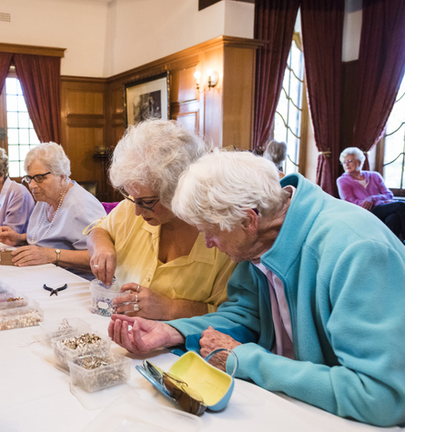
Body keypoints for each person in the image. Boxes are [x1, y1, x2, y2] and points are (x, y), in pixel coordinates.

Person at [108, 150, 405, 427]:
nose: (209, 244)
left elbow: (381, 396)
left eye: (211, 233)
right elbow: (245, 315)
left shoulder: (357, 251)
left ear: (248, 220)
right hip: (287, 405)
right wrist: (174, 332)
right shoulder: (263, 238)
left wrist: (245, 359)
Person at [88, 120, 236, 320]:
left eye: (147, 202)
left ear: (179, 190)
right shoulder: (131, 208)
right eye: (133, 198)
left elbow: (233, 318)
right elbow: (99, 230)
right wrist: (102, 247)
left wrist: (170, 309)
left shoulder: (223, 237)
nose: (137, 211)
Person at [0, 142, 105, 275]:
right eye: (29, 178)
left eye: (40, 178)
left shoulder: (81, 206)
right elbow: (51, 235)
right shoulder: (45, 198)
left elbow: (101, 258)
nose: (33, 185)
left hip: (76, 282)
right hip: (46, 275)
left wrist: (51, 255)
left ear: (62, 176)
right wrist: (20, 238)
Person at [336, 147, 405, 241]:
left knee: (393, 218)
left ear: (359, 162)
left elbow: (389, 195)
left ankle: (390, 249)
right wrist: (375, 202)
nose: (346, 164)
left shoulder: (375, 176)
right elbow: (349, 202)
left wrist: (373, 199)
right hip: (363, 212)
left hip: (382, 210)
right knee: (401, 206)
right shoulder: (342, 180)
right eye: (344, 162)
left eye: (350, 161)